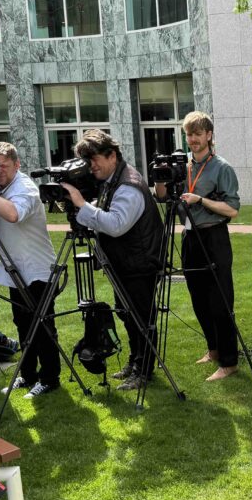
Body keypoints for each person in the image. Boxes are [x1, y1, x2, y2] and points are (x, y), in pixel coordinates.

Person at [62, 130, 164, 391]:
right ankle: (135, 361)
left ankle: (144, 371)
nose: (91, 166)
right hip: (126, 262)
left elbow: (117, 224)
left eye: (94, 159)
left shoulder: (127, 185)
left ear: (112, 155)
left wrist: (83, 205)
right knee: (127, 315)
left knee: (141, 319)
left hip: (139, 264)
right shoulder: (113, 179)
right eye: (87, 161)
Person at [0, 142, 60, 398]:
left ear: (17, 165)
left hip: (38, 269)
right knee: (22, 324)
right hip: (15, 269)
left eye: (4, 166)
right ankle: (28, 375)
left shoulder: (25, 188)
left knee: (41, 327)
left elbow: (12, 214)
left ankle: (50, 378)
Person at [166, 111, 241, 382]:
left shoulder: (222, 167)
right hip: (190, 238)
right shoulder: (182, 165)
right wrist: (161, 178)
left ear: (209, 135)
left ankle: (230, 362)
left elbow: (232, 209)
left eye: (197, 134)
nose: (193, 140)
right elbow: (163, 197)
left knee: (220, 301)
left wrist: (201, 200)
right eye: (189, 134)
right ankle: (214, 350)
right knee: (198, 299)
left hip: (214, 237)